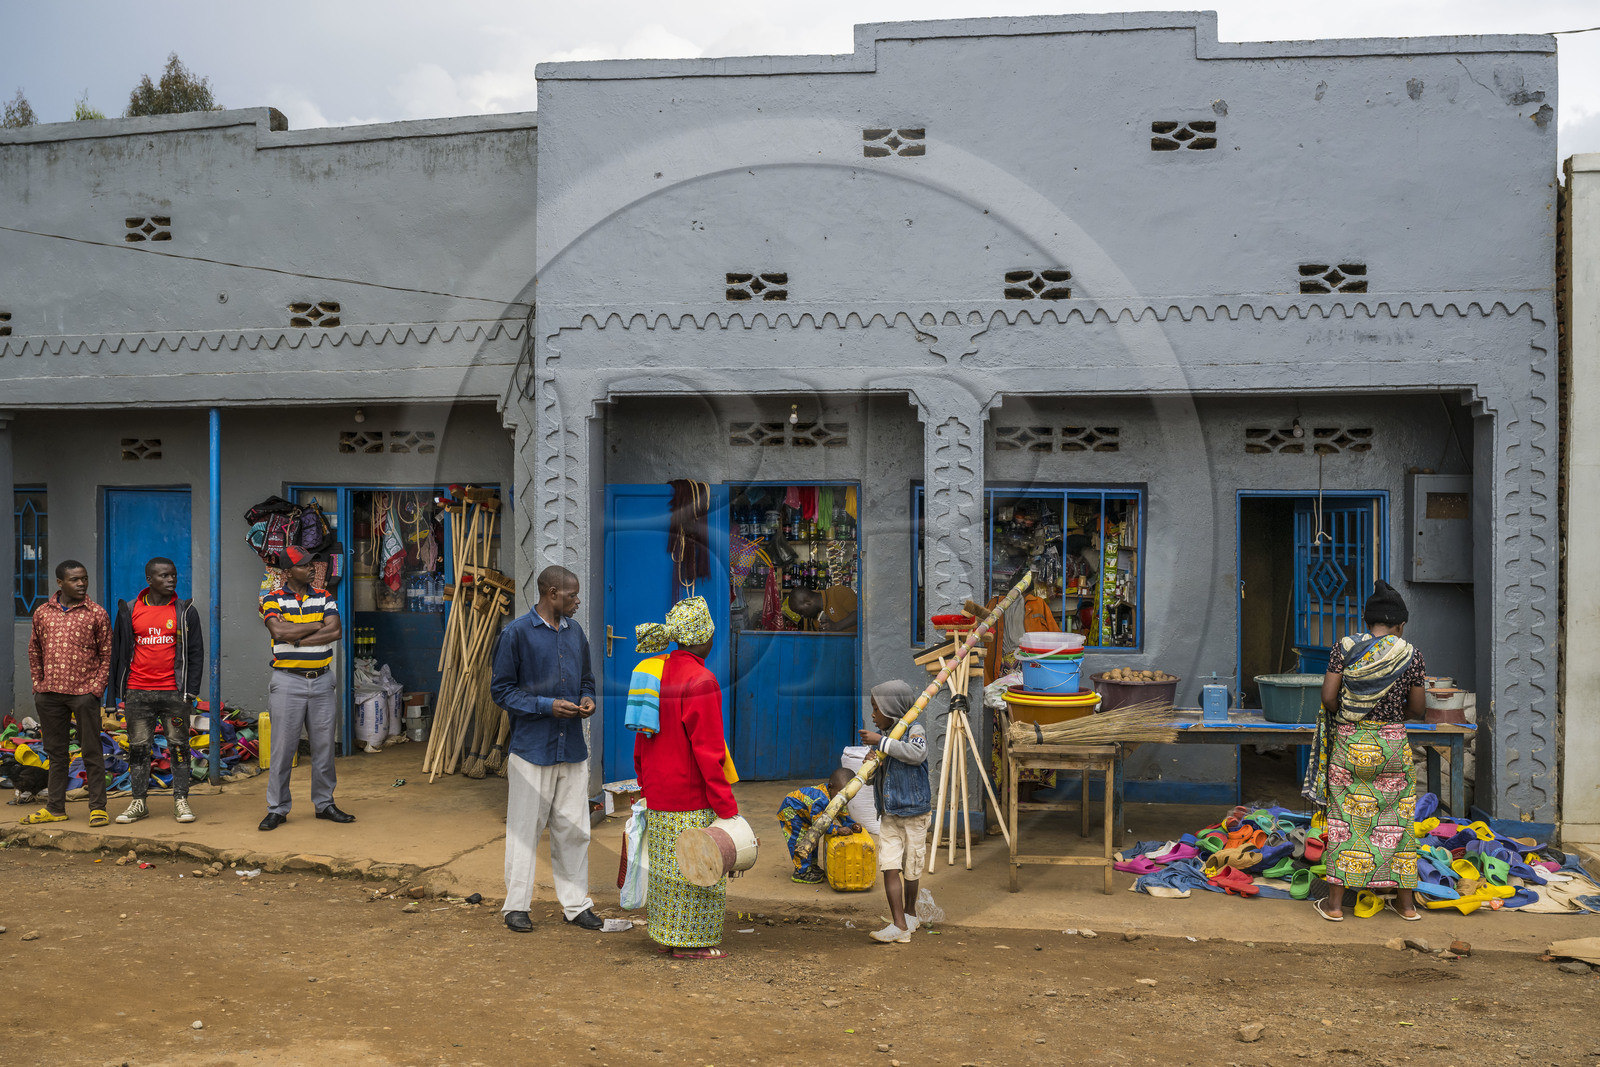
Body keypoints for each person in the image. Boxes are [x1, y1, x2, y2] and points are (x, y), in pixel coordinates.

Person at [491, 565, 605, 934]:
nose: (577, 601)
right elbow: (501, 690)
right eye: (572, 595)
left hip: (571, 748)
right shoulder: (516, 633)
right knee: (525, 830)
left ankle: (575, 906)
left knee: (574, 830)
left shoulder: (576, 634)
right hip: (532, 749)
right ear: (552, 593)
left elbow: (587, 679)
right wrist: (545, 705)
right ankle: (516, 907)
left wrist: (587, 699)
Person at [1305, 579, 1427, 922]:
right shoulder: (1410, 653)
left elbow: (1328, 698)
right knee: (1398, 822)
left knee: (1346, 821)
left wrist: (1353, 719)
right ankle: (1405, 906)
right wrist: (1388, 719)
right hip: (1392, 747)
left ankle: (1333, 907)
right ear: (1400, 625)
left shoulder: (1344, 648)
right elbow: (1418, 709)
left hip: (1349, 743)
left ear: (1366, 621)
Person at [633, 596, 738, 960]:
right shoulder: (701, 680)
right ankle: (691, 943)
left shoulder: (651, 671)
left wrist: (644, 783)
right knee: (699, 867)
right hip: (692, 795)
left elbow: (640, 738)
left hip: (660, 790)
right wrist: (726, 806)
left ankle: (668, 936)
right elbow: (709, 752)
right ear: (704, 636)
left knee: (666, 866)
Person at [258, 546, 351, 830]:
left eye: (313, 564)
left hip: (322, 680)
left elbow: (335, 630)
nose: (312, 569)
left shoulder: (325, 596)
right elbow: (278, 632)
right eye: (305, 565)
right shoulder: (271, 599)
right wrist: (315, 625)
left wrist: (296, 638)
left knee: (324, 748)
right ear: (288, 571)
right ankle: (277, 808)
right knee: (283, 750)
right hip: (288, 681)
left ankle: (324, 804)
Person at [110, 557, 205, 824]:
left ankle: (181, 800)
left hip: (174, 695)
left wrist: (191, 692)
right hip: (138, 693)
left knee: (178, 747)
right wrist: (117, 694)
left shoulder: (185, 611)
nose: (171, 580)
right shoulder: (129, 610)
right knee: (139, 749)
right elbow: (118, 654)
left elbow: (196, 654)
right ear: (149, 580)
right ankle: (138, 802)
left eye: (173, 575)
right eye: (163, 576)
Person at [22, 560, 112, 826]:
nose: (82, 584)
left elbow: (106, 654)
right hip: (49, 695)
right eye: (75, 580)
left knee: (92, 750)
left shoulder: (96, 613)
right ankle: (55, 808)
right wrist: (38, 684)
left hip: (83, 694)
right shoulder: (42, 613)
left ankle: (98, 807)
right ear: (60, 583)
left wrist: (95, 689)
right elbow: (34, 649)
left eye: (84, 578)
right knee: (56, 753)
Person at [860, 679, 931, 943]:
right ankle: (899, 924)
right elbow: (870, 779)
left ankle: (910, 915)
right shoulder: (881, 742)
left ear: (891, 709)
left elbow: (916, 754)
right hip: (889, 816)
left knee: (911, 870)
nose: (873, 715)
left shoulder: (915, 729)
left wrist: (882, 742)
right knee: (890, 867)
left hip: (914, 815)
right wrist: (869, 766)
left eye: (876, 709)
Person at [777, 768, 862, 884]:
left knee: (814, 839)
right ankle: (801, 872)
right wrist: (837, 829)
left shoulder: (838, 798)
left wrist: (852, 825)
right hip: (792, 812)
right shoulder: (820, 800)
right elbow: (820, 825)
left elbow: (842, 815)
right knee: (800, 840)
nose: (845, 799)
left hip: (806, 815)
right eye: (842, 794)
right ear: (830, 787)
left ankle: (812, 866)